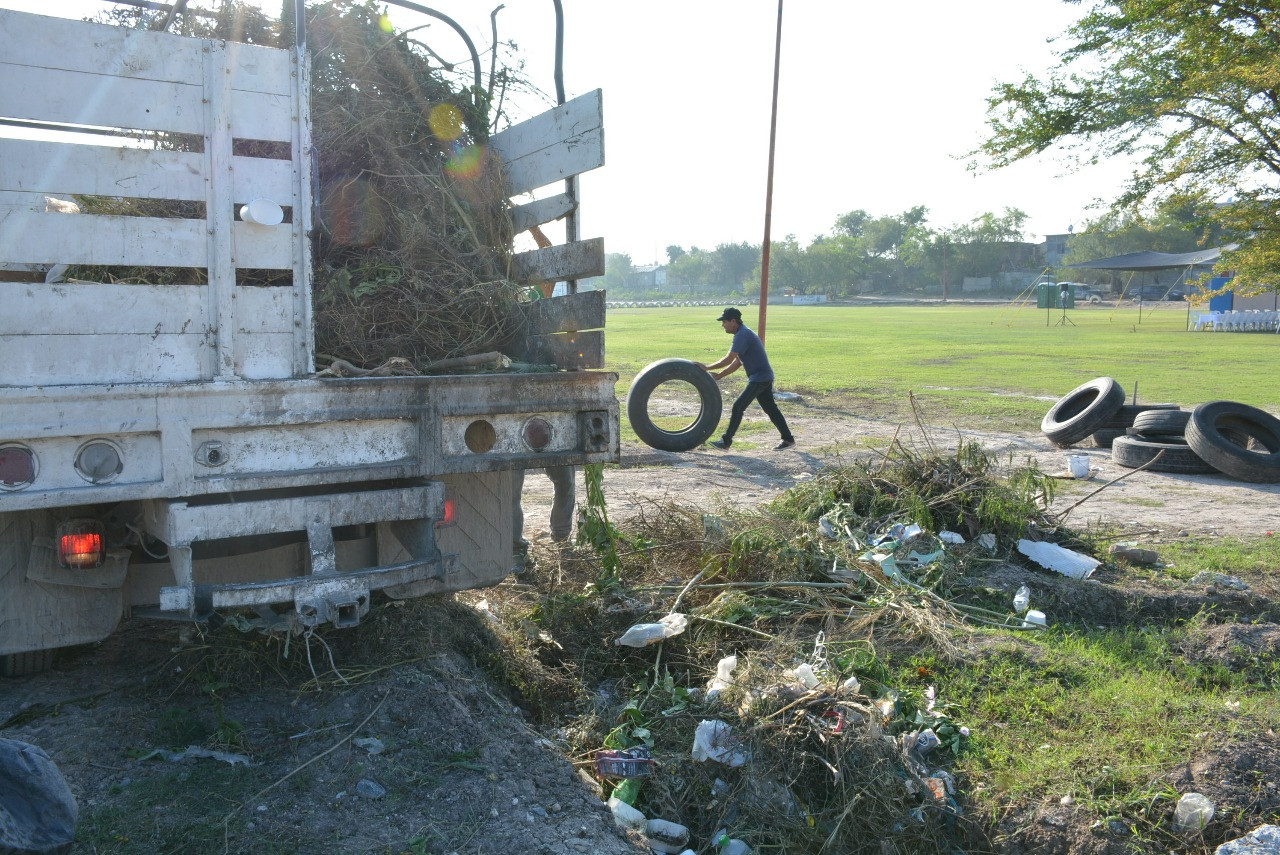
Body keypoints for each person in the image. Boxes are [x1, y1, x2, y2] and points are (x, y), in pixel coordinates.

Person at [696, 306, 795, 451]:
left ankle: (726, 442)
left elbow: (729, 358)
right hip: (762, 377)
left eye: (724, 321)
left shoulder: (742, 335)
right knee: (771, 409)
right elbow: (737, 362)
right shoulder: (743, 333)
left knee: (738, 407)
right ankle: (788, 439)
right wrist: (719, 375)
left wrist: (707, 367)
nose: (722, 325)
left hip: (760, 378)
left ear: (734, 321)